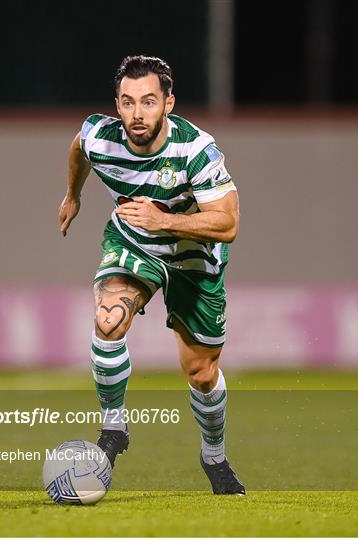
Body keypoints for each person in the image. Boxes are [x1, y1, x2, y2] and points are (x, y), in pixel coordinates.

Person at [59, 55, 245, 495]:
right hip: (133, 243)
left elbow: (228, 223)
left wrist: (163, 220)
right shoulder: (101, 136)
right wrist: (72, 196)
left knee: (201, 373)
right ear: (116, 105)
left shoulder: (195, 149)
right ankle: (114, 429)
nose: (136, 114)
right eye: (127, 102)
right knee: (108, 319)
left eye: (147, 102)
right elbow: (78, 147)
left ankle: (213, 457)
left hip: (193, 258)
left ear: (168, 103)